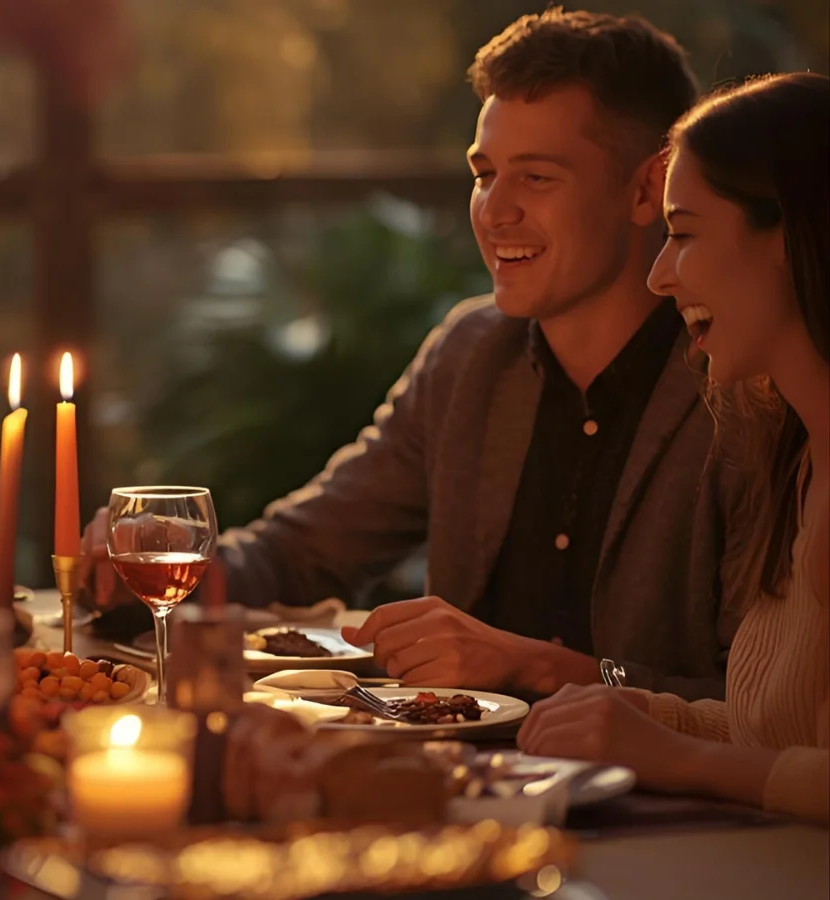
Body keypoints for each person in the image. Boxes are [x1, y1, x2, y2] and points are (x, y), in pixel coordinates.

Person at [82, 9, 740, 700]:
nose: (494, 211)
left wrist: (550, 670)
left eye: (537, 178)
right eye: (485, 174)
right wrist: (157, 564)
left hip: (671, 803)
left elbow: (752, 700)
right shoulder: (471, 355)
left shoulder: (738, 383)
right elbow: (301, 555)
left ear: (648, 188)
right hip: (461, 783)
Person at [519, 73, 828, 824]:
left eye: (683, 235)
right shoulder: (800, 457)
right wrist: (640, 712)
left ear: (788, 234)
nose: (660, 275)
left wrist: (679, 755)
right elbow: (780, 738)